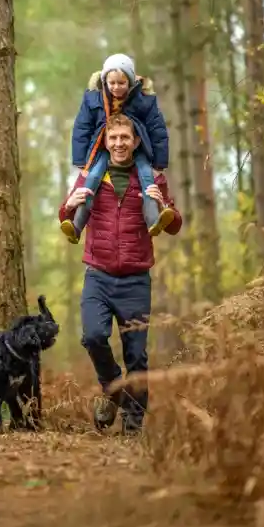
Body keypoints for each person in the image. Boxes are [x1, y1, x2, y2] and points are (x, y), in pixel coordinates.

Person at [57, 111, 182, 435]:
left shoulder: (153, 178)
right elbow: (65, 217)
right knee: (94, 336)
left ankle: (133, 425)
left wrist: (164, 205)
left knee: (137, 356)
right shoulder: (90, 176)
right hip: (97, 274)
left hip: (136, 279)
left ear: (136, 140)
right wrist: (69, 205)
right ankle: (114, 391)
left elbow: (175, 225)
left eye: (125, 137)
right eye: (113, 138)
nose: (119, 143)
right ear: (106, 142)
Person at [61, 53, 175, 245]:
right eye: (111, 83)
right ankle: (77, 225)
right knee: (92, 180)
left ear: (130, 82)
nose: (116, 88)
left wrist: (159, 164)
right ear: (105, 81)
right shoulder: (93, 99)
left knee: (147, 178)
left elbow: (158, 131)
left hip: (137, 148)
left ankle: (154, 219)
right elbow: (82, 128)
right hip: (102, 148)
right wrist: (81, 161)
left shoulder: (144, 100)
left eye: (121, 83)